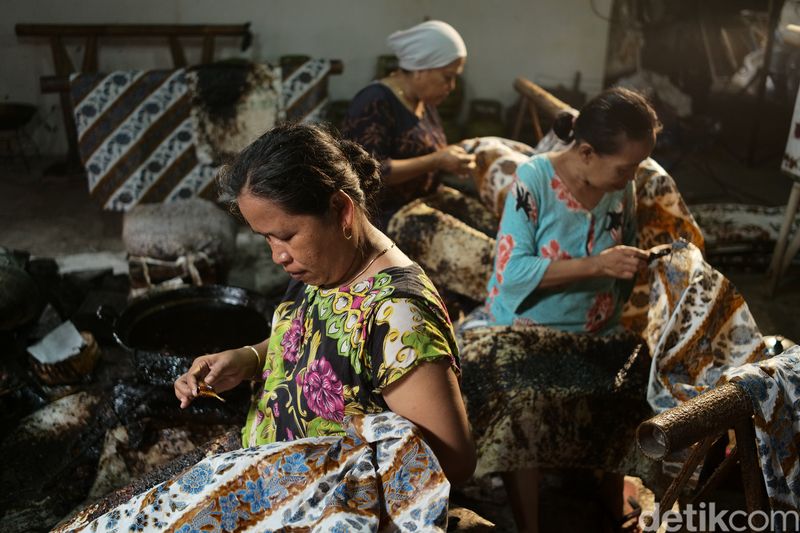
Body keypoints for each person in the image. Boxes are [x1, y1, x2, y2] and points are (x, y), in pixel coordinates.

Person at [173, 122, 476, 485]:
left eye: (285, 236)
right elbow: (324, 344)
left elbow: (454, 464)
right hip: (266, 472)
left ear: (341, 210)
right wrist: (249, 359)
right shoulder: (324, 266)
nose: (277, 256)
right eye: (266, 238)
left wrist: (320, 473)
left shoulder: (398, 317)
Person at [461, 87, 663, 533]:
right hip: (528, 327)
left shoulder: (619, 187)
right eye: (625, 166)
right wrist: (598, 265)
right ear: (587, 152)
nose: (631, 177)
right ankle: (529, 524)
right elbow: (513, 273)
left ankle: (609, 493)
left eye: (637, 166)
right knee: (524, 409)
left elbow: (625, 248)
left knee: (634, 391)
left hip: (598, 327)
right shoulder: (534, 179)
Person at [341, 20, 476, 227]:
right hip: (386, 218)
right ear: (421, 68)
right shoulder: (375, 101)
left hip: (424, 204)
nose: (451, 87)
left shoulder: (424, 102)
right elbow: (370, 172)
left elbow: (427, 154)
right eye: (447, 77)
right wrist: (437, 160)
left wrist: (454, 159)